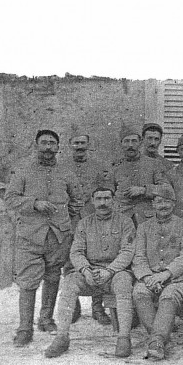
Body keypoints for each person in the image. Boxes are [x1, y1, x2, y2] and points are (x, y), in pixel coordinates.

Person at [4, 129, 82, 347]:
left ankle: (46, 319)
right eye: (44, 143)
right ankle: (24, 329)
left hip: (58, 236)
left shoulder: (66, 172)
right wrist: (34, 204)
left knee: (53, 276)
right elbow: (10, 198)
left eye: (52, 143)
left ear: (58, 148)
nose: (48, 147)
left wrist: (66, 221)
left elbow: (77, 199)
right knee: (28, 282)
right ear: (36, 145)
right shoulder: (23, 171)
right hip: (30, 236)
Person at [44, 187, 137, 358]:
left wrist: (110, 271)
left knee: (124, 282)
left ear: (113, 200)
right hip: (90, 272)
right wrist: (85, 270)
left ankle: (124, 338)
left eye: (107, 198)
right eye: (99, 199)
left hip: (115, 273)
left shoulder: (125, 222)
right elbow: (76, 251)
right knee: (69, 283)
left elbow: (128, 251)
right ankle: (62, 337)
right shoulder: (84, 223)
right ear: (93, 201)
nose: (103, 203)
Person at [131, 185, 183, 361]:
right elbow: (138, 256)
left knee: (169, 297)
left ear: (174, 204)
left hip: (175, 278)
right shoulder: (143, 228)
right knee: (139, 293)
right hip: (149, 276)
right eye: (159, 202)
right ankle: (159, 338)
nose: (163, 206)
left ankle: (157, 341)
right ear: (153, 204)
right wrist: (146, 277)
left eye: (167, 202)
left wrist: (166, 274)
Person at [63, 132, 115, 325]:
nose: (79, 146)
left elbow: (108, 190)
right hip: (69, 219)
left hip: (93, 219)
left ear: (88, 144)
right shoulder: (62, 167)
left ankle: (98, 308)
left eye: (83, 143)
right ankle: (73, 306)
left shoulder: (98, 167)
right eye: (75, 143)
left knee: (95, 259)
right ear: (70, 145)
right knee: (70, 260)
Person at [113, 122, 171, 226]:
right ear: (121, 144)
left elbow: (167, 189)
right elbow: (108, 193)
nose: (130, 145)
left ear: (140, 142)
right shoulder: (115, 167)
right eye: (126, 141)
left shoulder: (154, 164)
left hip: (147, 220)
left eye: (134, 141)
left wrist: (144, 190)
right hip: (122, 219)